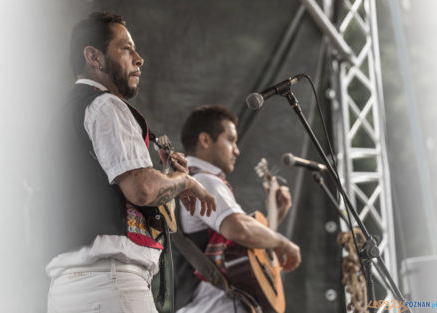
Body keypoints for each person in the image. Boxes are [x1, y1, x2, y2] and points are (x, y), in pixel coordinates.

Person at [44, 12, 216, 313]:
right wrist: (185, 181)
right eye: (126, 48)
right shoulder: (106, 105)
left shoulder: (65, 116)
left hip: (70, 290)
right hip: (110, 284)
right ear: (93, 57)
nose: (139, 59)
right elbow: (143, 190)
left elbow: (145, 203)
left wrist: (168, 179)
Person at [174, 105, 301, 313]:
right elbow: (240, 230)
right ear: (205, 140)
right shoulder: (205, 181)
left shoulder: (184, 181)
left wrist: (274, 218)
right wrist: (284, 243)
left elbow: (240, 254)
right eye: (231, 140)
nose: (237, 150)